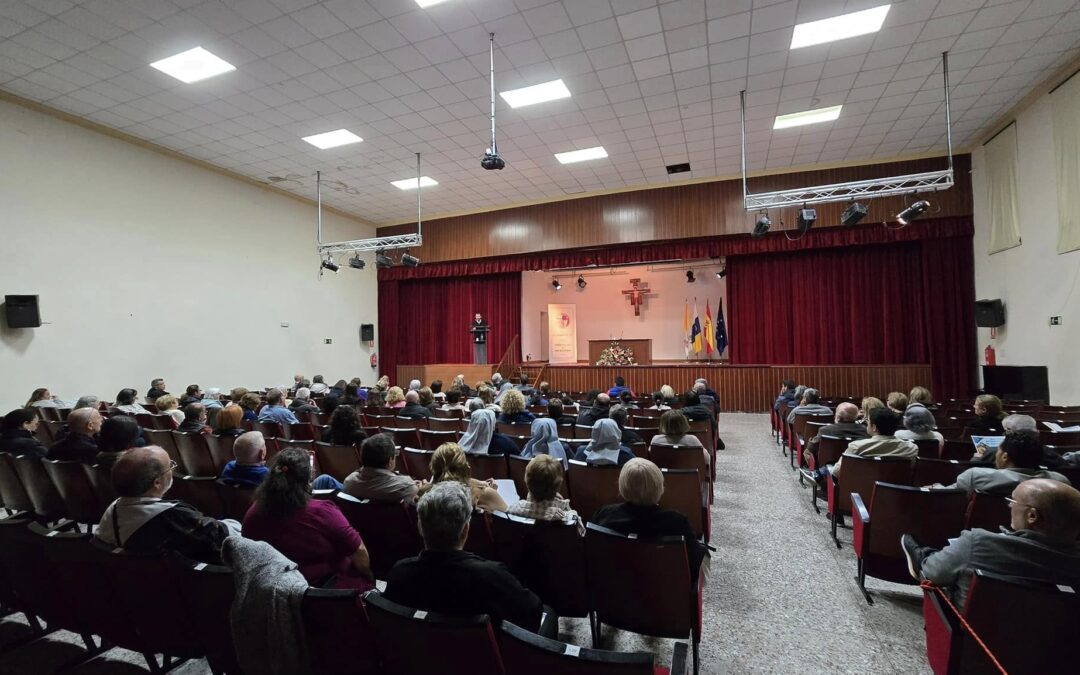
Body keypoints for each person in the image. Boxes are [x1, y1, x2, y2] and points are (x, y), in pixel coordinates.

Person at [902, 479, 1080, 611]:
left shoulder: (979, 543)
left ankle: (928, 555)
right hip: (1050, 657)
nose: (1010, 507)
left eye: (1013, 502)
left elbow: (932, 574)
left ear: (1032, 516)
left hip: (970, 649)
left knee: (937, 566)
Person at [384, 482, 541, 629]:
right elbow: (533, 612)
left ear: (420, 527)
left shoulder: (399, 573)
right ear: (466, 530)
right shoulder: (493, 577)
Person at [243, 448, 374, 591]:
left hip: (275, 587)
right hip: (326, 592)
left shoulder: (254, 512)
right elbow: (359, 551)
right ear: (308, 481)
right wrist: (370, 577)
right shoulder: (322, 511)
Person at [96, 446, 238, 563]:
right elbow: (225, 538)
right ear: (157, 483)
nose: (172, 470)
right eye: (169, 466)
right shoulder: (173, 517)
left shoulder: (112, 509)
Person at [592, 458, 706, 580]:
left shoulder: (604, 515)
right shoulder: (676, 522)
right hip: (665, 589)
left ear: (622, 486)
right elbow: (696, 561)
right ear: (660, 487)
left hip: (614, 586)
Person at [944, 430, 1070, 496]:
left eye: (998, 451)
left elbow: (948, 496)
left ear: (1005, 457)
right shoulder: (1059, 482)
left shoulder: (975, 476)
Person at [419, 443, 507, 512]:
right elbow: (509, 521)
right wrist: (492, 493)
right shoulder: (484, 494)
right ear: (464, 466)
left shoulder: (424, 494)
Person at [831, 408, 917, 478]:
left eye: (868, 421)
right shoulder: (911, 448)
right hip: (896, 496)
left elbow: (836, 472)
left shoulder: (856, 447)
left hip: (860, 493)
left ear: (874, 427)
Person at [343, 433, 422, 502]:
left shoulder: (348, 482)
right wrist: (419, 489)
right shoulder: (407, 488)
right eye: (395, 453)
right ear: (390, 462)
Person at [508, 455, 580, 526]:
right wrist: (565, 506)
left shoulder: (514, 508)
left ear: (526, 481)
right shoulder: (570, 517)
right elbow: (580, 529)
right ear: (558, 485)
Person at [800, 402, 869, 471]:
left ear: (838, 417)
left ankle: (815, 472)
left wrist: (809, 443)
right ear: (856, 416)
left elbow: (811, 448)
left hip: (827, 466)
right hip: (857, 468)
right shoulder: (866, 431)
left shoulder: (825, 430)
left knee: (807, 452)